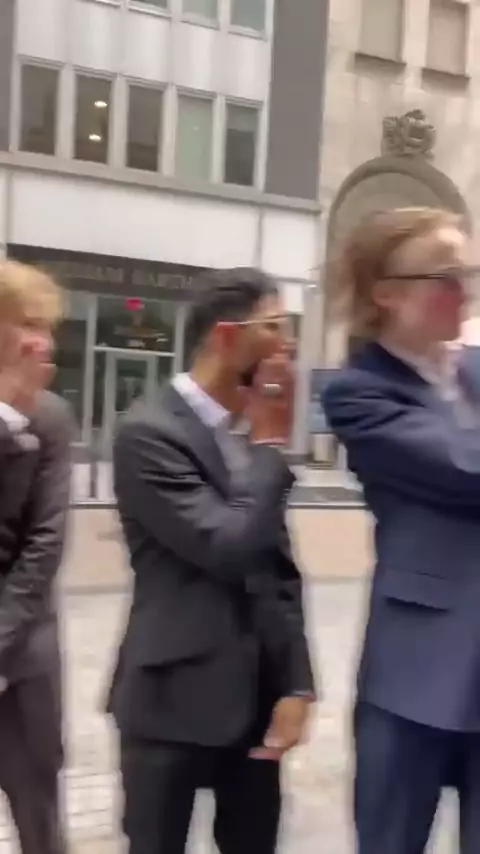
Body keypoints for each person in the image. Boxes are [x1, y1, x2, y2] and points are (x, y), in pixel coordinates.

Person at [109, 268, 315, 854]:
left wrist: (295, 683)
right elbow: (226, 547)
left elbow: (278, 571)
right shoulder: (147, 433)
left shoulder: (245, 430)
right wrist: (270, 446)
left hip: (253, 701)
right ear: (226, 336)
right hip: (170, 702)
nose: (287, 345)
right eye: (274, 327)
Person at [322, 207, 480, 854]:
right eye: (445, 276)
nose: (464, 289)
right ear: (385, 292)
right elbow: (465, 469)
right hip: (417, 671)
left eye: (467, 271)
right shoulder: (359, 392)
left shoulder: (474, 372)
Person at [0, 260, 72, 854]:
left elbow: (43, 543)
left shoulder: (49, 417)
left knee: (40, 822)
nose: (42, 343)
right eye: (28, 324)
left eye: (47, 327)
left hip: (23, 655)